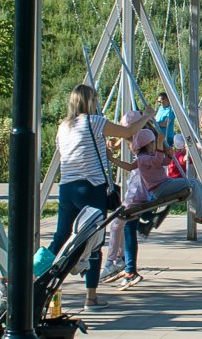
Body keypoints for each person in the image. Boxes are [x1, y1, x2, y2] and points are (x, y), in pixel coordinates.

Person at [48, 84, 145, 311]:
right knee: (93, 242)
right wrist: (147, 116)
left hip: (67, 187)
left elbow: (71, 151)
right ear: (89, 101)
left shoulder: (63, 127)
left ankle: (41, 281)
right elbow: (129, 132)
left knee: (60, 237)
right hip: (91, 188)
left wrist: (102, 148)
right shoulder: (95, 122)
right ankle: (90, 297)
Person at [110, 121, 202, 287]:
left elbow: (163, 162)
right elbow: (157, 159)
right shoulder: (145, 158)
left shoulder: (144, 158)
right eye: (152, 144)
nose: (154, 146)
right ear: (146, 146)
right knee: (194, 184)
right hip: (159, 188)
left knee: (195, 185)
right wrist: (161, 144)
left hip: (162, 185)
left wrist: (168, 152)